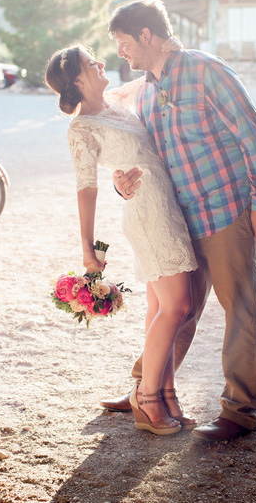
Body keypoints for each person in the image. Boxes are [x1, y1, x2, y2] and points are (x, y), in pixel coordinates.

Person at [101, 0, 256, 442]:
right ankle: (147, 389)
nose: (121, 52)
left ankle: (240, 412)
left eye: (124, 42)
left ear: (147, 35)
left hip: (226, 211)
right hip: (179, 220)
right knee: (177, 309)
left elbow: (253, 134)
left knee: (239, 308)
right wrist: (121, 182)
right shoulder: (144, 88)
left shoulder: (205, 70)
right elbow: (144, 154)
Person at [45, 43, 199, 436]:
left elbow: (153, 70)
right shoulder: (80, 128)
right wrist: (87, 247)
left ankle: (165, 392)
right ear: (77, 80)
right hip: (149, 214)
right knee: (179, 305)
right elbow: (86, 187)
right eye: (90, 62)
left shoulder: (115, 101)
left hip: (166, 204)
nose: (100, 63)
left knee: (158, 307)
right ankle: (145, 398)